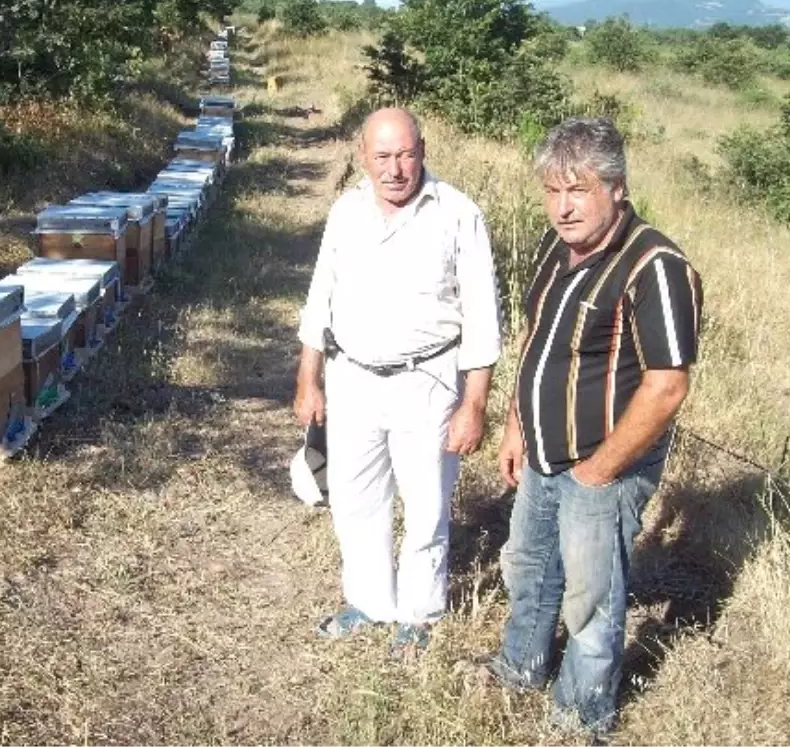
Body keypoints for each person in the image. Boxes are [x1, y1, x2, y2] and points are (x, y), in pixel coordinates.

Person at [484, 118, 703, 735]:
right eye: (553, 191)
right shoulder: (559, 250)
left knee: (592, 600)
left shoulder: (655, 266)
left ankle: (581, 718)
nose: (563, 206)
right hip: (541, 455)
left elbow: (667, 385)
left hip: (601, 468)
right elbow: (536, 344)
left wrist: (599, 468)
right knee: (528, 566)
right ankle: (519, 667)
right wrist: (516, 428)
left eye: (577, 190)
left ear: (617, 187)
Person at [293, 107, 501, 657]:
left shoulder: (458, 214)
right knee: (355, 500)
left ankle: (419, 614)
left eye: (405, 154)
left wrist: (473, 404)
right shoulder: (345, 212)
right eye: (382, 156)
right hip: (352, 379)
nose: (394, 169)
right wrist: (308, 379)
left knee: (426, 504)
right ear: (363, 157)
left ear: (423, 151)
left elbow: (483, 317)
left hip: (428, 383)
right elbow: (320, 299)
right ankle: (369, 603)